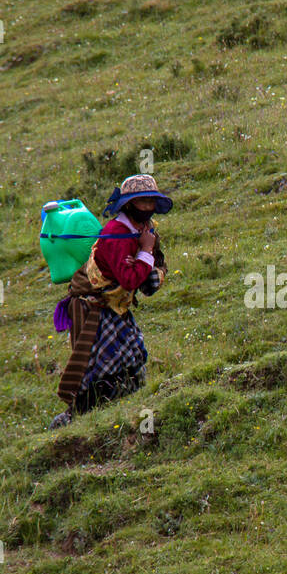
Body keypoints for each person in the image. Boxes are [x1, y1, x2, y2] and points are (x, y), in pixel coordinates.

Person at [50, 174, 171, 429]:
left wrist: (143, 256)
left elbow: (147, 279)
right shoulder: (116, 233)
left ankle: (117, 409)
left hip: (115, 307)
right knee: (95, 368)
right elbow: (129, 280)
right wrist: (144, 253)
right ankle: (74, 420)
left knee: (131, 358)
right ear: (128, 205)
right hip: (94, 308)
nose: (148, 208)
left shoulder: (145, 230)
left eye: (151, 202)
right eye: (142, 202)